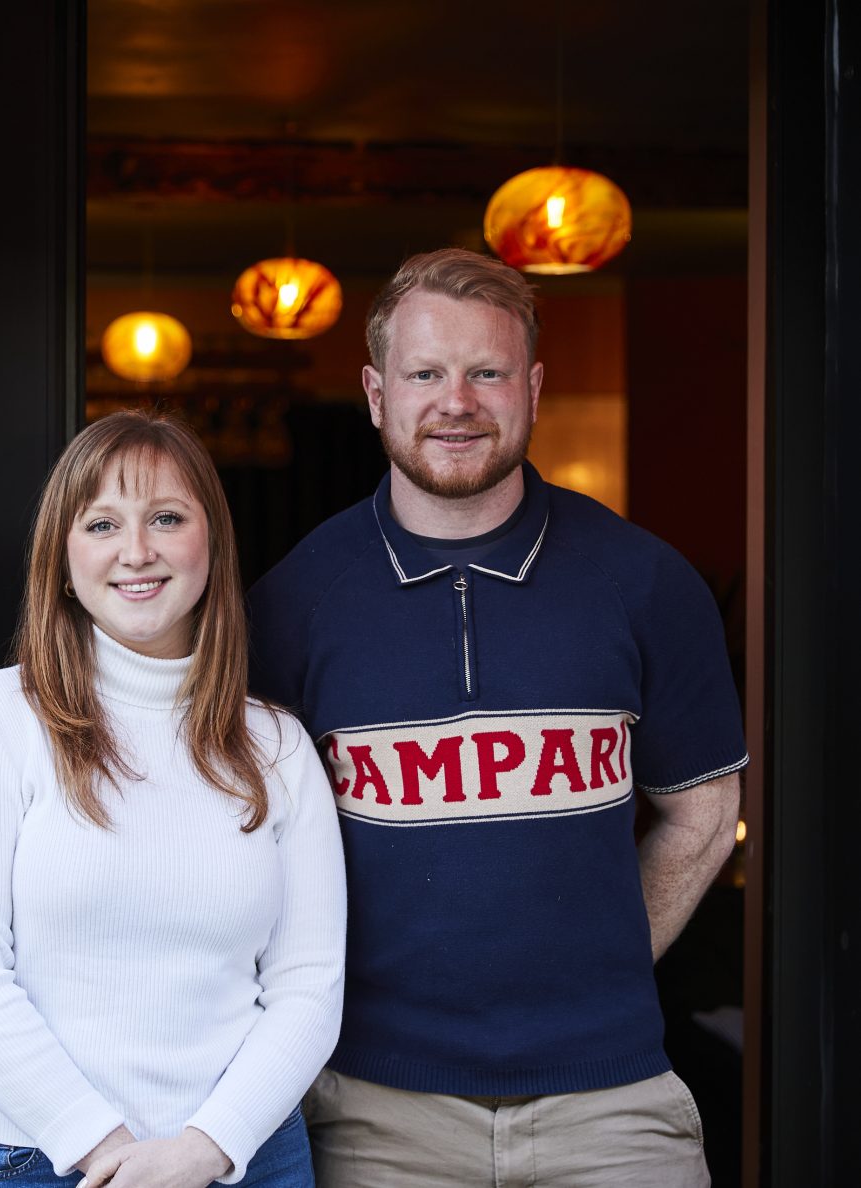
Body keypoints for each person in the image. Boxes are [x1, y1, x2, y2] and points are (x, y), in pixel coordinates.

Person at [248, 247, 746, 1187]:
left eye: (487, 372)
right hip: (374, 1107)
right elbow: (242, 847)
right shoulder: (292, 604)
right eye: (426, 374)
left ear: (533, 386)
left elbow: (705, 810)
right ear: (374, 392)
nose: (457, 401)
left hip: (613, 1105)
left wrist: (600, 956)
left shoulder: (643, 581)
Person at [0, 410, 346, 1188]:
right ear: (63, 558)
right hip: (40, 1161)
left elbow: (309, 986)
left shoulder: (276, 746)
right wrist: (106, 1150)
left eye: (167, 518)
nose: (136, 551)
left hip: (246, 1156)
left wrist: (205, 1147)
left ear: (210, 541)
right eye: (102, 523)